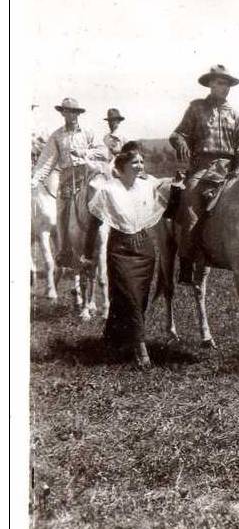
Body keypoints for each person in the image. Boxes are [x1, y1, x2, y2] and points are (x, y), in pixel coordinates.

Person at [83, 143, 173, 367]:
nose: (140, 166)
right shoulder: (108, 190)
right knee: (131, 298)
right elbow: (94, 223)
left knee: (137, 300)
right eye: (135, 163)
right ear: (121, 168)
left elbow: (168, 190)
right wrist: (87, 254)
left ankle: (114, 339)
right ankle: (140, 349)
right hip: (120, 250)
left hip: (144, 250)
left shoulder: (147, 185)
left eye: (142, 162)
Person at [168, 64, 239, 284]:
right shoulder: (196, 108)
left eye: (227, 84)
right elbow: (177, 134)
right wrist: (181, 142)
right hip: (202, 168)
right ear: (211, 84)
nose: (224, 88)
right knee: (190, 206)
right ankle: (186, 263)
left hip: (230, 169)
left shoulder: (235, 115)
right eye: (219, 83)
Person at [30, 97, 113, 267]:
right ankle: (65, 251)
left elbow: (103, 152)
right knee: (61, 208)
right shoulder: (57, 136)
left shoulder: (88, 132)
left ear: (78, 113)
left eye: (75, 111)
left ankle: (117, 239)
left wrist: (84, 153)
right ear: (63, 113)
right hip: (67, 177)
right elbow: (47, 160)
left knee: (102, 197)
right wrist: (35, 179)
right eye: (68, 111)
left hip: (88, 173)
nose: (72, 115)